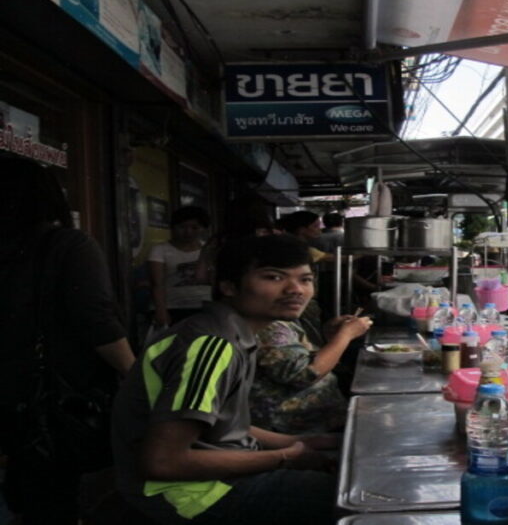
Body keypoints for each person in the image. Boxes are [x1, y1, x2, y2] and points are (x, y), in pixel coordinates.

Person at [111, 234, 371, 525]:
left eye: (305, 279)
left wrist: (301, 441)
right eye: (274, 277)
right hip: (188, 494)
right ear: (228, 286)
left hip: (216, 473)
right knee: (360, 497)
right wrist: (287, 456)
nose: (295, 290)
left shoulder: (234, 333)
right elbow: (163, 461)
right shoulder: (212, 345)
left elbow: (223, 423)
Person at [0, 157, 136, 524]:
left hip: (13, 390)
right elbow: (96, 320)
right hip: (48, 395)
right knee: (53, 490)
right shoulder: (66, 245)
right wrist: (136, 376)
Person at [251, 308, 366, 434]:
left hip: (324, 417)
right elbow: (305, 374)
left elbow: (299, 357)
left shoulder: (280, 320)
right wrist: (345, 335)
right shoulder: (269, 328)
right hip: (296, 430)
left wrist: (331, 338)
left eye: (305, 286)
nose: (296, 289)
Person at [149, 206, 212, 326]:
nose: (188, 232)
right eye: (182, 227)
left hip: (204, 306)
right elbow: (157, 283)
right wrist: (161, 310)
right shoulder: (160, 250)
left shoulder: (208, 250)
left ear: (203, 229)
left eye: (194, 227)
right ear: (173, 228)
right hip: (172, 307)